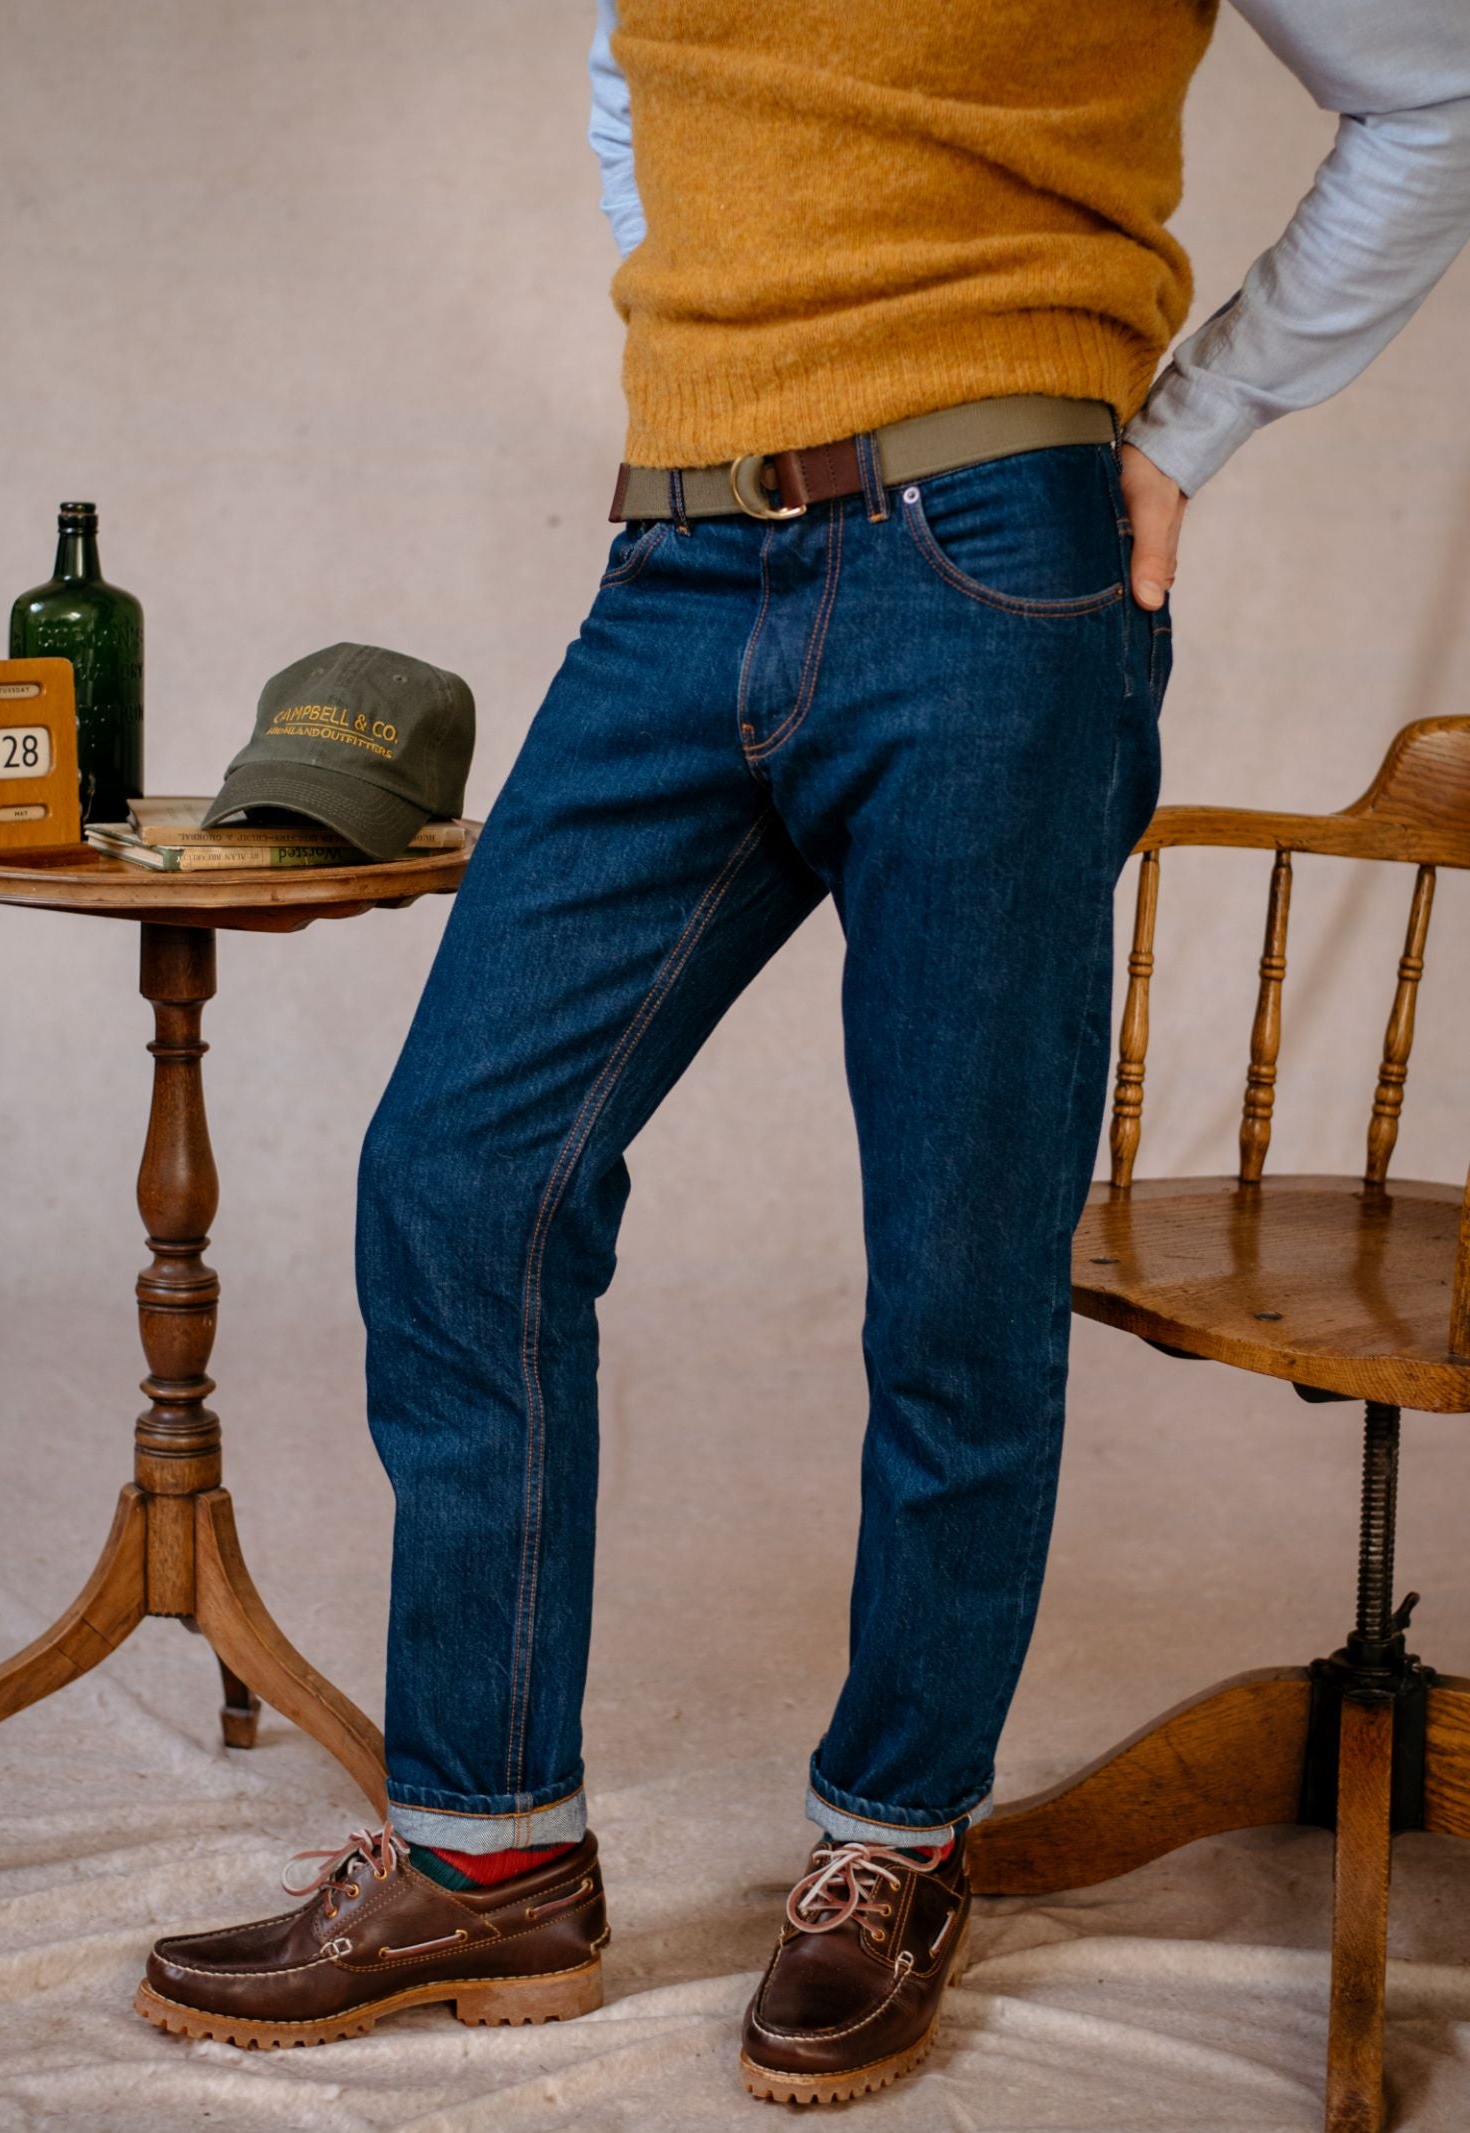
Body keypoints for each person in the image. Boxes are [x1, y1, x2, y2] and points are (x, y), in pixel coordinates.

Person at [136, 0, 1470, 2104]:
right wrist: (723, 343)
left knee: (956, 1257)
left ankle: (888, 1841)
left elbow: (1437, 83)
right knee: (463, 1176)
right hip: (675, 559)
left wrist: (1183, 426)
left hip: (989, 559)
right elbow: (630, 70)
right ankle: (487, 1852)